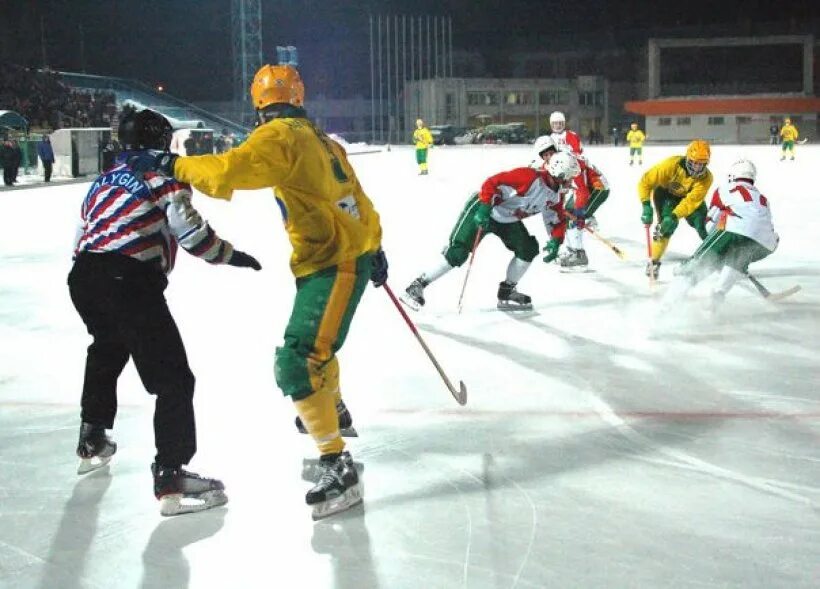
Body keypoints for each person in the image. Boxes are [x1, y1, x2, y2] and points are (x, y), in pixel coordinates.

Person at [128, 64, 385, 520]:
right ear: (299, 96)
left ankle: (336, 460)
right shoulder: (325, 141)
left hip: (333, 261)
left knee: (297, 359)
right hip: (343, 255)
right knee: (316, 348)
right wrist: (376, 246)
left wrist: (172, 164)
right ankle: (334, 411)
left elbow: (228, 171)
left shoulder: (280, 135)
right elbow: (358, 199)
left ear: (258, 104)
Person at [68, 109, 261, 516]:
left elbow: (82, 234)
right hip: (129, 280)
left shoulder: (102, 181)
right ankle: (171, 471)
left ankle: (93, 435)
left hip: (84, 275)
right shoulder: (163, 177)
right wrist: (232, 256)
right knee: (173, 379)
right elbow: (190, 234)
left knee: (107, 347)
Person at [402, 146, 578, 312]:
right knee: (458, 253)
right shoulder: (528, 177)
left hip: (507, 218)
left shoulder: (555, 195)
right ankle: (417, 285)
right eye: (569, 177)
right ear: (558, 173)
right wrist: (484, 208)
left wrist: (556, 240)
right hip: (485, 208)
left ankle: (507, 290)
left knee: (527, 248)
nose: (571, 182)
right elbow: (492, 183)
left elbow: (556, 220)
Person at [664, 158, 778, 309]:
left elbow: (711, 221)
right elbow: (759, 225)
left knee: (699, 264)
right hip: (767, 243)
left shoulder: (724, 190)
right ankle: (718, 294)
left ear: (732, 176)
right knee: (736, 259)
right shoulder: (762, 198)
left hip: (734, 231)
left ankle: (668, 304)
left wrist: (710, 248)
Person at [639, 139, 713, 279]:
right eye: (694, 163)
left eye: (701, 164)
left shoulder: (707, 178)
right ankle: (654, 261)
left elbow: (691, 201)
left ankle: (716, 251)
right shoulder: (670, 165)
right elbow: (645, 182)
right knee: (666, 226)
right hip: (666, 195)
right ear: (688, 159)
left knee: (702, 223)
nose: (697, 168)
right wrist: (646, 205)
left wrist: (675, 215)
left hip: (688, 199)